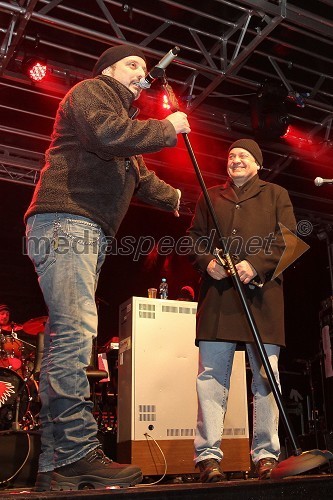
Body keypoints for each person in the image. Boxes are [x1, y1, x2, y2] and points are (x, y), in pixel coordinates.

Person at [24, 44, 190, 492]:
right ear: (108, 68)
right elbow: (108, 136)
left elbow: (139, 174)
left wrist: (181, 199)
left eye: (142, 66)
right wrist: (166, 128)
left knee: (71, 334)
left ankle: (56, 468)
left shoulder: (123, 123)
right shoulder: (91, 92)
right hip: (66, 220)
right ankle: (78, 454)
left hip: (82, 227)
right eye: (132, 64)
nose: (141, 72)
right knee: (75, 333)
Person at [188, 138, 296, 482]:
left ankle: (265, 455)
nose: (235, 159)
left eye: (244, 155)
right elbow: (194, 238)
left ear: (258, 163)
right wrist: (207, 263)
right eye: (232, 155)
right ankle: (208, 457)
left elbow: (290, 240)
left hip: (261, 296)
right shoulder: (211, 196)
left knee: (266, 376)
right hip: (220, 297)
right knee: (210, 378)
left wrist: (256, 264)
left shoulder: (276, 194)